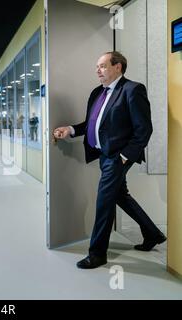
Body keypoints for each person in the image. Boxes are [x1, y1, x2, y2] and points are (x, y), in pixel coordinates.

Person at [53, 51, 166, 269]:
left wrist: (125, 157)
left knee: (104, 201)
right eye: (97, 66)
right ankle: (153, 234)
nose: (97, 70)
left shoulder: (133, 90)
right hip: (103, 154)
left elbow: (144, 130)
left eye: (103, 66)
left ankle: (97, 254)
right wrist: (69, 130)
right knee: (120, 196)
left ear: (118, 67)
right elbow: (91, 124)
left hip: (118, 157)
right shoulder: (98, 92)